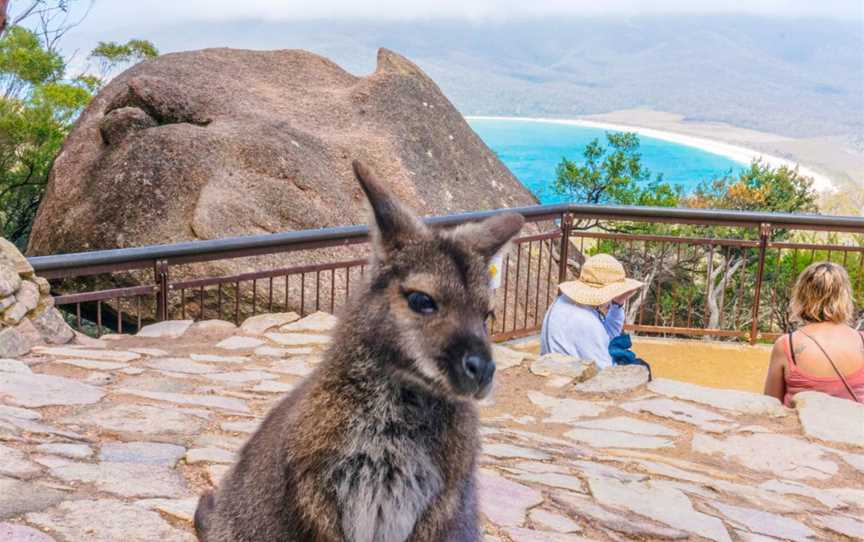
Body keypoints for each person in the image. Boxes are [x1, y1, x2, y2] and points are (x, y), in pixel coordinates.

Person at [764, 261, 864, 405]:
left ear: (801, 295)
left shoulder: (787, 346)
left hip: (802, 427)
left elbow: (771, 404)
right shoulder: (861, 341)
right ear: (845, 297)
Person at [540, 253, 643, 369]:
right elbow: (604, 370)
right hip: (573, 376)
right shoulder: (585, 320)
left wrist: (617, 304)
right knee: (641, 367)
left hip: (562, 369)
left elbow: (608, 336)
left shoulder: (567, 302)